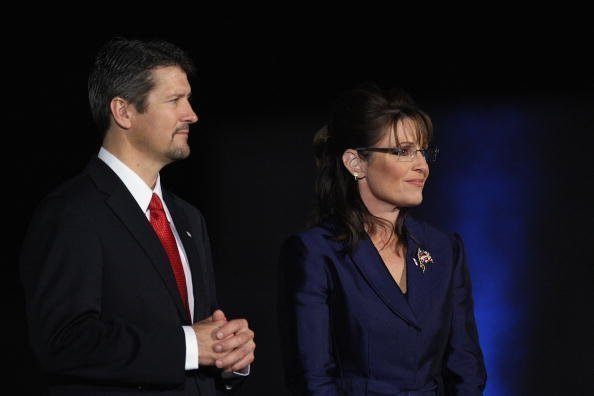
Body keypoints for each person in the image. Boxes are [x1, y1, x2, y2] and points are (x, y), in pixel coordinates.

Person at [20, 37, 255, 395]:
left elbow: (202, 335)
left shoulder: (189, 219)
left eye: (188, 99)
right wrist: (190, 346)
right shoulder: (71, 211)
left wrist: (228, 354)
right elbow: (64, 340)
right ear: (124, 111)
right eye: (175, 100)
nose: (192, 114)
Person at [278, 84, 486, 395]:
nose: (422, 166)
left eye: (423, 151)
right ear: (356, 163)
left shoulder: (444, 249)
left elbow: (465, 368)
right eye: (403, 151)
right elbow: (312, 380)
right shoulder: (315, 253)